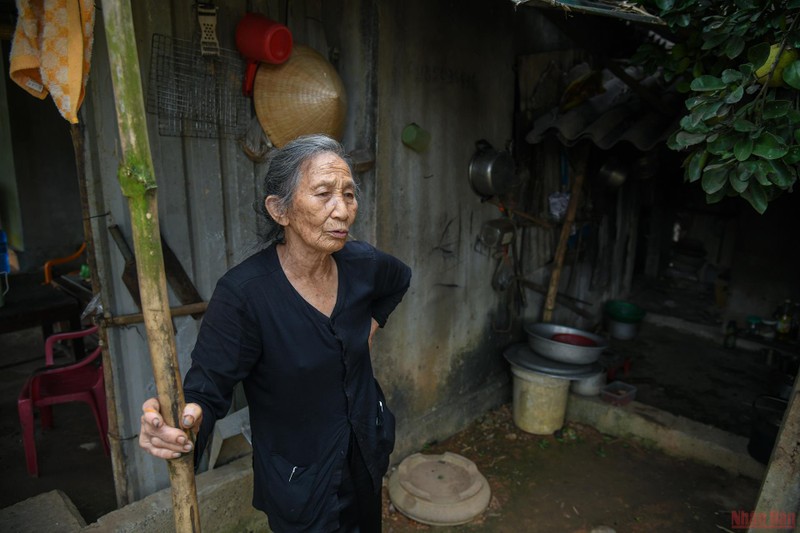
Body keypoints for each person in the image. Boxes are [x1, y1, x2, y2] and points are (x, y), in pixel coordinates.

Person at [139, 134, 412, 532]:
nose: (343, 211)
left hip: (365, 451)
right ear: (279, 209)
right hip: (300, 480)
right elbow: (206, 388)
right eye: (323, 194)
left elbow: (399, 280)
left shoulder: (363, 264)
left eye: (349, 194)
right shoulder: (245, 295)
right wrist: (182, 423)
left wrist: (369, 326)